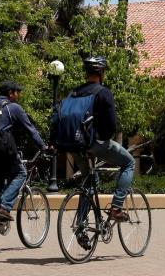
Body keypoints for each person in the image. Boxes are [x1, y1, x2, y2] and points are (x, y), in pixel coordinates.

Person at [51, 55, 135, 223]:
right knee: (129, 163)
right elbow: (111, 124)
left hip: (74, 145)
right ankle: (116, 208)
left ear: (86, 72)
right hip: (94, 143)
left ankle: (81, 225)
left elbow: (56, 117)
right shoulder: (103, 92)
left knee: (89, 180)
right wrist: (103, 138)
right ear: (102, 72)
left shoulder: (73, 93)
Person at [0, 80, 48, 221]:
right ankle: (4, 207)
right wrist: (43, 147)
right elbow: (31, 131)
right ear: (10, 94)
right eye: (17, 92)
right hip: (3, 150)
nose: (19, 95)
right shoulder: (13, 108)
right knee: (21, 173)